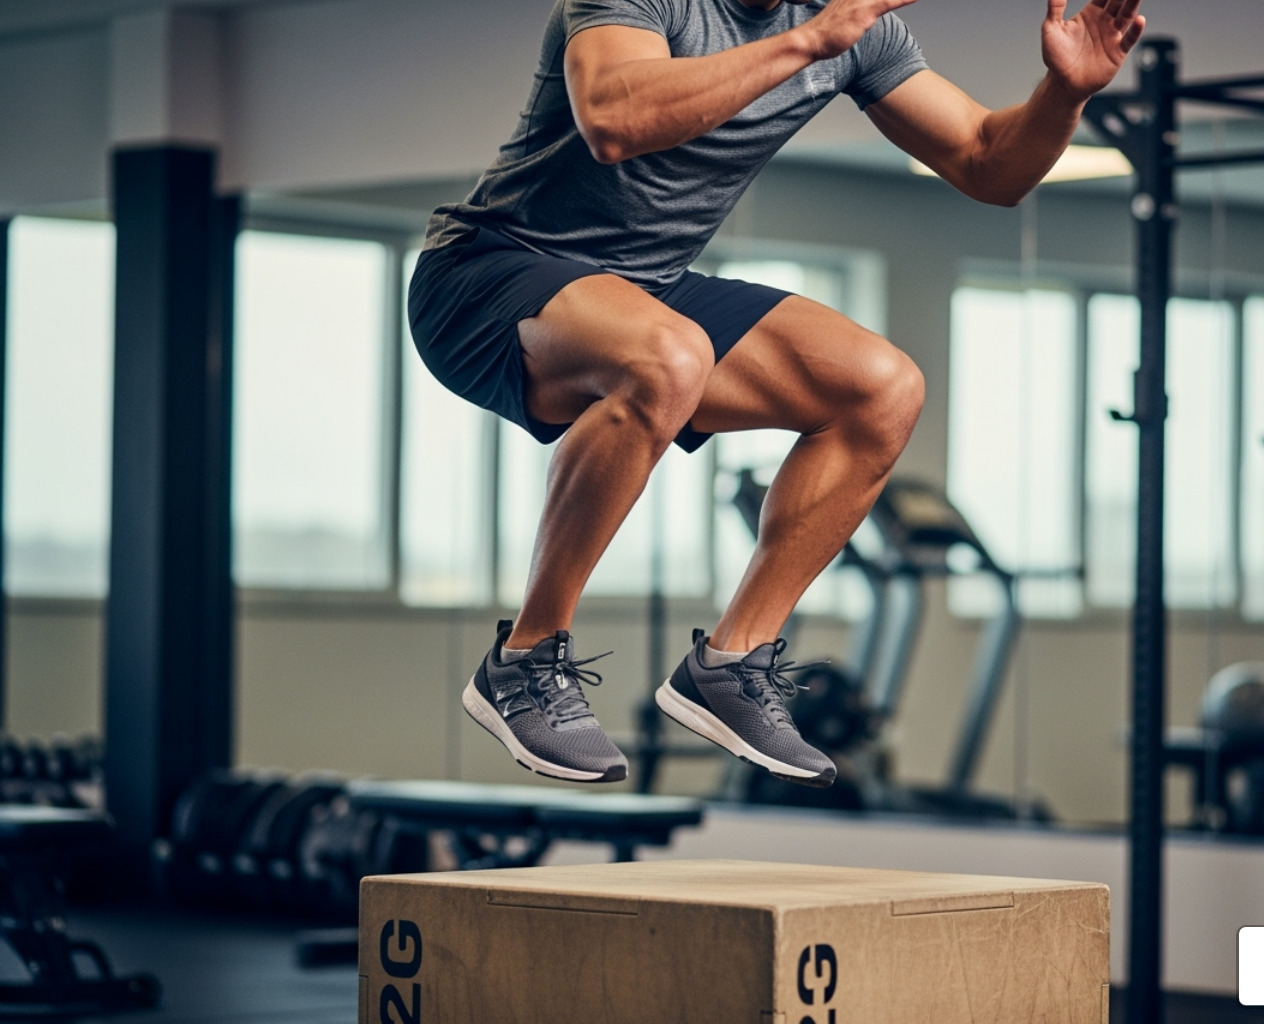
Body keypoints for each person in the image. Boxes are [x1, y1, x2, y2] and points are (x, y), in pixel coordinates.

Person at [408, 0, 1146, 786]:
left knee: (880, 388)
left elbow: (988, 162)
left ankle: (729, 664)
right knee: (669, 356)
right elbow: (615, 119)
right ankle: (524, 660)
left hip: (643, 291)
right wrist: (809, 44)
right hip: (484, 274)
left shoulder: (852, 30)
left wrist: (1064, 94)